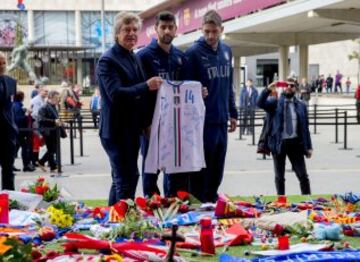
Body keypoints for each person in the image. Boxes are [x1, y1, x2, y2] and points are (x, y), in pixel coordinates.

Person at [96, 12, 162, 205]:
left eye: (135, 30)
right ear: (117, 33)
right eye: (127, 30)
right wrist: (146, 86)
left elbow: (139, 99)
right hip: (115, 132)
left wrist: (146, 123)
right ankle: (121, 223)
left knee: (124, 179)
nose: (132, 33)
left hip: (132, 131)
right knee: (125, 181)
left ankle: (112, 219)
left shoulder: (133, 56)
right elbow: (115, 94)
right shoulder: (107, 60)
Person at [183, 10, 238, 203]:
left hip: (221, 120)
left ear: (221, 30)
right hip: (202, 123)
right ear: (201, 29)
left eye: (215, 31)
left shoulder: (226, 50)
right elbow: (185, 89)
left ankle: (212, 204)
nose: (210, 36)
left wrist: (233, 112)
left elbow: (228, 84)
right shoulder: (192, 53)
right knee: (200, 170)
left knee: (217, 168)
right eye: (207, 31)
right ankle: (198, 208)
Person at [137, 11, 186, 198]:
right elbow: (139, 94)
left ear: (176, 29)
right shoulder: (143, 57)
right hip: (152, 126)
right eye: (163, 27)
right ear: (155, 29)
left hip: (174, 126)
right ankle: (153, 213)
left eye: (170, 27)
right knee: (150, 175)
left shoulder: (180, 57)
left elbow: (184, 89)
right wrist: (145, 124)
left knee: (173, 172)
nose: (167, 30)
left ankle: (171, 211)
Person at [257, 78, 312, 195]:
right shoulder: (274, 103)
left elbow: (305, 128)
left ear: (295, 88)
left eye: (291, 86)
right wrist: (267, 89)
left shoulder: (301, 106)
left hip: (296, 144)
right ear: (283, 87)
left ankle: (308, 201)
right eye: (286, 85)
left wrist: (309, 147)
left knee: (303, 175)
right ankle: (281, 201)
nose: (289, 87)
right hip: (278, 144)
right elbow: (259, 103)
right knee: (279, 177)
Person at [0, 52, 17, 190]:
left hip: (8, 134)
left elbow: (9, 108)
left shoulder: (11, 82)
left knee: (8, 171)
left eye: (3, 63)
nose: (2, 66)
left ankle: (9, 203)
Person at [37, 90, 63, 173]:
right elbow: (41, 120)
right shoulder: (44, 107)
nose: (57, 100)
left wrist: (59, 121)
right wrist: (53, 121)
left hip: (53, 130)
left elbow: (55, 117)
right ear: (50, 98)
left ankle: (45, 163)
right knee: (51, 149)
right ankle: (49, 165)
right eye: (56, 98)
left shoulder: (53, 106)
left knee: (53, 149)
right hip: (48, 131)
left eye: (58, 98)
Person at [12, 91, 35, 172]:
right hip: (20, 130)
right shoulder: (18, 106)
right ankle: (26, 165)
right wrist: (27, 113)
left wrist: (25, 110)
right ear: (21, 97)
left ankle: (11, 164)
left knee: (16, 148)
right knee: (24, 147)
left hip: (16, 130)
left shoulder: (14, 105)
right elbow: (19, 119)